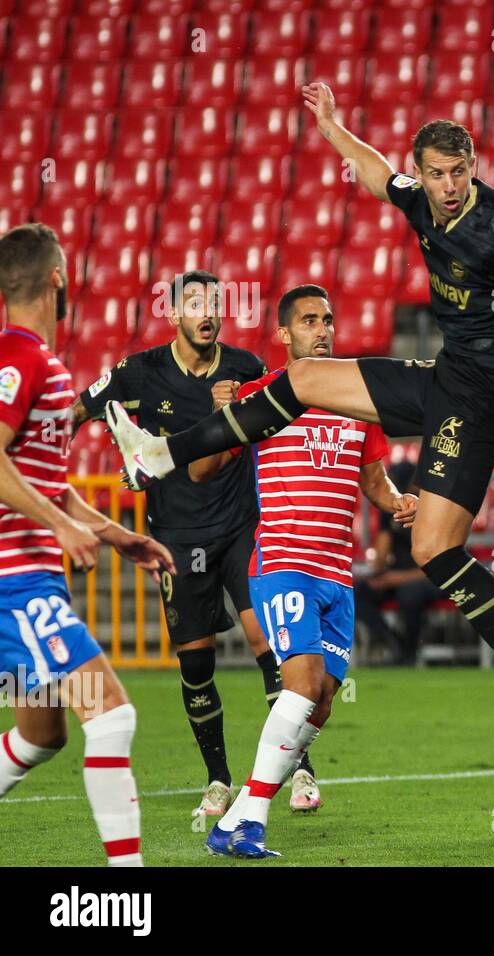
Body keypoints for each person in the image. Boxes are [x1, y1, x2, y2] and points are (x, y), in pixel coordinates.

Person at [104, 83, 494, 761]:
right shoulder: (420, 200)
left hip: (490, 395)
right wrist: (331, 125)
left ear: (472, 167)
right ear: (422, 172)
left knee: (432, 549)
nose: (447, 187)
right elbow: (373, 172)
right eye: (435, 174)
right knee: (300, 380)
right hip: (449, 377)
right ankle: (160, 456)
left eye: (458, 173)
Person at [72, 269, 317, 817]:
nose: (207, 313)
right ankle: (218, 780)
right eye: (196, 305)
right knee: (196, 666)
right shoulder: (140, 372)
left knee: (271, 648)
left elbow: (289, 411)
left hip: (241, 529)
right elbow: (77, 413)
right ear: (174, 314)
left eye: (215, 304)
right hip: (176, 538)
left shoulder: (244, 368)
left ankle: (299, 770)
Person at [190, 284, 417, 857]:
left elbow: (373, 480)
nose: (324, 330)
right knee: (302, 684)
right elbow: (203, 469)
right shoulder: (266, 396)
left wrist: (396, 504)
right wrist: (223, 416)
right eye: (310, 321)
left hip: (337, 574)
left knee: (320, 703)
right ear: (285, 335)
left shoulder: (357, 402)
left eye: (329, 320)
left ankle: (233, 819)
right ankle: (254, 822)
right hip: (284, 563)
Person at [0, 223, 175, 865]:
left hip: (27, 578)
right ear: (56, 278)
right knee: (112, 716)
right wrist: (62, 527)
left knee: (40, 735)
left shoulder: (43, 364)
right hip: (14, 580)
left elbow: (43, 479)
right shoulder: (16, 358)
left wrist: (112, 531)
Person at [353, 460, 440, 665]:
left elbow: (439, 563)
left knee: (410, 593)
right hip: (399, 575)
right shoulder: (391, 509)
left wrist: (394, 578)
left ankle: (409, 652)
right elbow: (381, 557)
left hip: (430, 575)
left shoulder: (434, 510)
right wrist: (378, 571)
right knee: (358, 591)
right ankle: (391, 640)